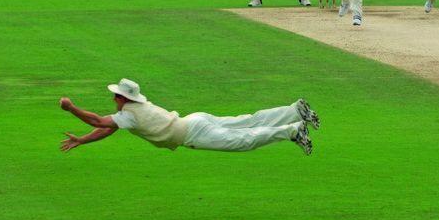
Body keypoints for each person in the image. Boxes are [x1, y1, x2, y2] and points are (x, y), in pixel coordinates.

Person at [60, 78, 320, 155]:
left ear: (123, 99)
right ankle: (294, 110)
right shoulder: (130, 113)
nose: (113, 99)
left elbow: (99, 122)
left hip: (193, 132)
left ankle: (293, 129)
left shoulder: (129, 115)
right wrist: (82, 140)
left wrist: (71, 108)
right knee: (248, 121)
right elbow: (107, 129)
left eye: (116, 96)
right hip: (194, 120)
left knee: (243, 140)